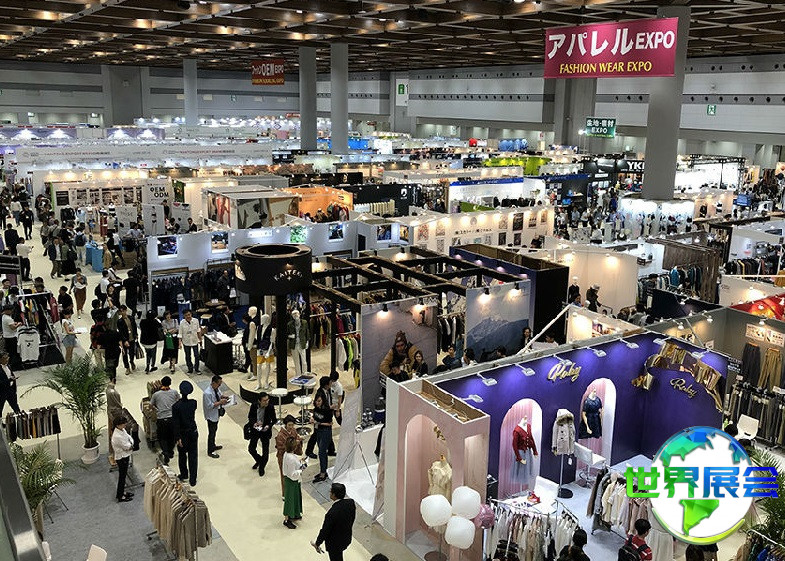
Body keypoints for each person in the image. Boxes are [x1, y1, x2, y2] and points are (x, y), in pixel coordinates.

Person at [311, 483, 356, 561]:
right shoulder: (350, 503)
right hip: (346, 537)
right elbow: (352, 518)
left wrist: (317, 544)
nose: (329, 493)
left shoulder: (332, 513)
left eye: (330, 491)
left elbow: (325, 531)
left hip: (334, 544)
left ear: (334, 495)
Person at [172, 380, 198, 486]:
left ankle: (184, 474)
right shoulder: (193, 403)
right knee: (193, 456)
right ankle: (193, 479)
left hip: (182, 435)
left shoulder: (176, 406)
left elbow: (176, 423)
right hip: (193, 432)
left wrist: (177, 437)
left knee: (182, 455)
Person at [150, 376, 180, 464]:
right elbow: (178, 401)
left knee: (162, 437)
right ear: (170, 383)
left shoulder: (156, 394)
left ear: (161, 384)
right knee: (172, 436)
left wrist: (156, 408)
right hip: (172, 418)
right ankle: (170, 451)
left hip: (161, 419)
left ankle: (165, 451)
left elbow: (151, 406)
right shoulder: (174, 392)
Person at [247, 392, 277, 476]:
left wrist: (268, 426)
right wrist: (254, 423)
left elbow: (274, 420)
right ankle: (260, 461)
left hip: (265, 431)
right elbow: (250, 417)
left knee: (265, 451)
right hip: (255, 430)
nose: (267, 402)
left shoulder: (270, 407)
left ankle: (262, 467)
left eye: (267, 400)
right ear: (259, 401)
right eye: (264, 400)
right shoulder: (254, 406)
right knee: (251, 449)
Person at [275, 414, 303, 497]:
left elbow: (296, 437)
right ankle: (285, 494)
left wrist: (299, 440)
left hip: (292, 456)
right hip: (283, 457)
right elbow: (280, 447)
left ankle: (293, 491)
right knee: (285, 475)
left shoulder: (293, 430)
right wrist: (294, 443)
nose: (291, 427)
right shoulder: (280, 435)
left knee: (293, 473)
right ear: (285, 424)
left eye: (292, 425)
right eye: (289, 425)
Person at [203, 375, 228, 458]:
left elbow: (219, 395)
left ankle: (213, 445)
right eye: (219, 384)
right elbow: (209, 406)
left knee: (214, 431)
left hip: (216, 414)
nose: (219, 386)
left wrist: (223, 397)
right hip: (211, 416)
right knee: (211, 433)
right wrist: (220, 402)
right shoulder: (207, 393)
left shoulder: (216, 389)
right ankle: (210, 450)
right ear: (213, 383)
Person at [111, 415, 135, 503]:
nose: (125, 425)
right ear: (118, 425)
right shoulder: (117, 436)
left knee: (123, 476)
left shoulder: (122, 430)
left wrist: (131, 443)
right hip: (122, 458)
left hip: (125, 456)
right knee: (122, 477)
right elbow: (126, 446)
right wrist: (131, 444)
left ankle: (122, 492)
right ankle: (120, 496)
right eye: (123, 424)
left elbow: (129, 438)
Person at [282, 437, 304, 529]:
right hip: (291, 481)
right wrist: (301, 469)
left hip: (292, 481)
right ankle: (287, 520)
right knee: (290, 500)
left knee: (295, 498)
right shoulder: (290, 458)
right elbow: (292, 474)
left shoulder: (287, 454)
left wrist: (300, 462)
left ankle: (294, 514)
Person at [311, 392, 333, 483]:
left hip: (325, 432)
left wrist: (318, 423)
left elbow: (330, 423)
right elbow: (315, 417)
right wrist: (312, 420)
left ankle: (323, 473)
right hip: (318, 431)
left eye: (319, 401)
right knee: (321, 451)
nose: (317, 403)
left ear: (323, 400)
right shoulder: (316, 409)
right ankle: (323, 470)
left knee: (322, 452)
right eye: (316, 401)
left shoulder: (327, 410)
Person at [179, 309, 202, 374]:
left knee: (197, 355)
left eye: (189, 315)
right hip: (186, 342)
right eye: (186, 315)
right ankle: (190, 369)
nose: (188, 316)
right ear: (184, 316)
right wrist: (179, 343)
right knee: (188, 356)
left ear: (191, 314)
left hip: (195, 340)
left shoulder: (196, 321)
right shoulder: (182, 322)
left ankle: (197, 368)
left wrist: (200, 339)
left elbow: (198, 331)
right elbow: (180, 334)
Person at [116, 305, 137, 374]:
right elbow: (120, 332)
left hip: (132, 338)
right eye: (121, 311)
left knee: (132, 353)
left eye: (123, 311)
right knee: (124, 354)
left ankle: (131, 361)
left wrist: (136, 334)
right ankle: (127, 367)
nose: (122, 312)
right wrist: (124, 340)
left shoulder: (131, 318)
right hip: (125, 339)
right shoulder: (119, 321)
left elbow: (134, 326)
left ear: (126, 310)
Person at [0, 352, 20, 417]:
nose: (7, 359)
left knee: (15, 406)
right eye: (5, 358)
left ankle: (20, 418)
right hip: (2, 392)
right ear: (0, 359)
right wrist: (9, 380)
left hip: (10, 390)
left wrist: (13, 379)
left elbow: (10, 375)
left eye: (8, 357)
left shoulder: (8, 366)